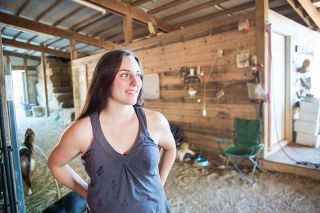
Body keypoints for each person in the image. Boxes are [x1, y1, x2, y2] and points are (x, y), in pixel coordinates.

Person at [47, 49, 176, 212]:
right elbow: (55, 164)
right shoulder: (83, 130)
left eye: (138, 74)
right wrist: (86, 193)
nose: (136, 82)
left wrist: (159, 184)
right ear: (105, 80)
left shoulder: (155, 121)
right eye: (125, 74)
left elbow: (170, 148)